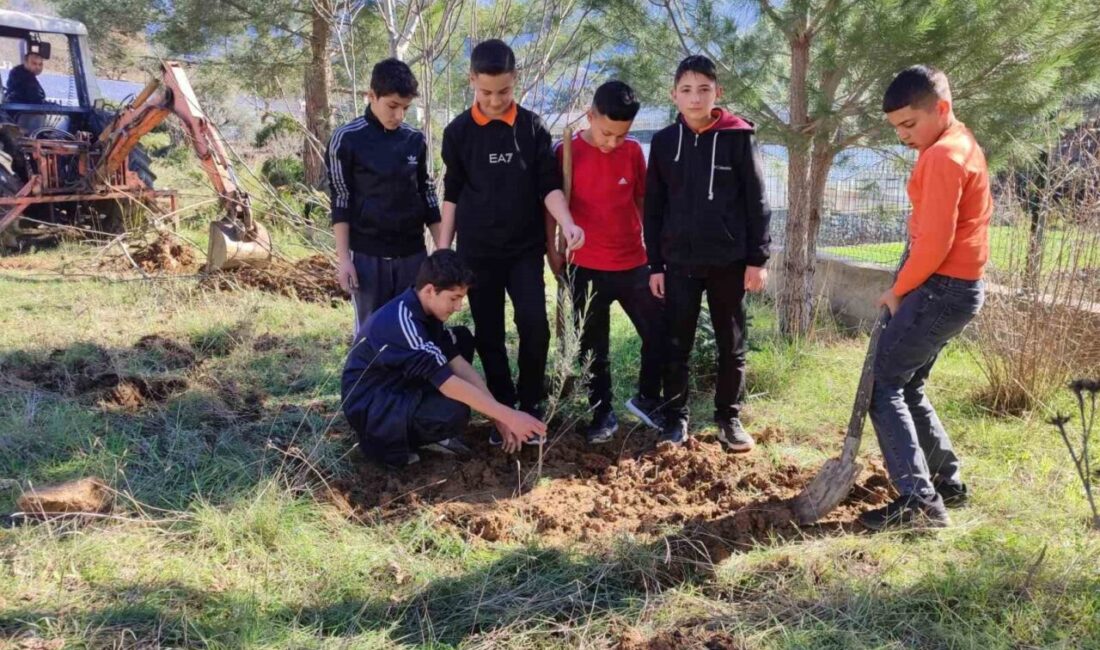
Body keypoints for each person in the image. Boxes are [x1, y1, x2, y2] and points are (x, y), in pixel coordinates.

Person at [859, 65, 991, 531]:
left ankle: (920, 503)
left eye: (909, 125)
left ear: (941, 108)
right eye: (896, 128)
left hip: (940, 289)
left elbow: (934, 243)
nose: (902, 137)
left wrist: (898, 291)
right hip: (960, 289)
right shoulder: (960, 143)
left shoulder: (941, 157)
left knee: (883, 384)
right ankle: (946, 484)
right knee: (908, 384)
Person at [438, 39, 585, 444]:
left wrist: (567, 224)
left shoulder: (533, 128)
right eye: (486, 92)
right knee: (489, 333)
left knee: (535, 326)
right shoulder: (458, 132)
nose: (495, 99)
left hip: (524, 250)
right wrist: (443, 251)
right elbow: (451, 194)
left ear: (515, 80)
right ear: (471, 81)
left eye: (504, 91)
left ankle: (531, 404)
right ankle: (502, 406)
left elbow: (548, 188)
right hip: (477, 253)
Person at [644, 54, 771, 450]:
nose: (695, 98)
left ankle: (728, 418)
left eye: (703, 89)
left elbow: (758, 201)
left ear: (718, 92)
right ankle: (675, 417)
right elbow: (653, 207)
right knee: (675, 343)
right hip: (679, 263)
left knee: (730, 344)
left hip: (729, 263)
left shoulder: (738, 136)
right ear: (674, 95)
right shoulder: (664, 142)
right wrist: (655, 265)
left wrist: (757, 259)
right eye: (686, 90)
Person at [342, 250, 546, 469]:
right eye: (454, 298)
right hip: (373, 407)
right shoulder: (403, 322)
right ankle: (386, 444)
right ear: (430, 290)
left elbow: (459, 365)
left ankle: (419, 426)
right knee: (453, 411)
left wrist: (500, 418)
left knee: (461, 338)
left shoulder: (427, 312)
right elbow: (449, 385)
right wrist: (511, 416)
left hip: (396, 386)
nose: (458, 307)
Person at [548, 80, 667, 444]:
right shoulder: (564, 151)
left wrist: (656, 251)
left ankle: (648, 398)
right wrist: (552, 251)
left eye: (621, 134)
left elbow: (644, 202)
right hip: (585, 266)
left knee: (659, 331)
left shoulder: (632, 152)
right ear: (590, 114)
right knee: (593, 346)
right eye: (606, 132)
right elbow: (552, 206)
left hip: (634, 263)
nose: (612, 141)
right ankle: (602, 412)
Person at [325, 58, 441, 336]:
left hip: (412, 255)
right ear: (371, 96)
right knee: (371, 334)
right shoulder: (346, 139)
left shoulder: (415, 139)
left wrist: (443, 250)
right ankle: (366, 380)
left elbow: (427, 195)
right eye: (392, 106)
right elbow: (341, 201)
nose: (399, 115)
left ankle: (414, 381)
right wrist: (344, 260)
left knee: (416, 330)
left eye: (405, 108)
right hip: (367, 257)